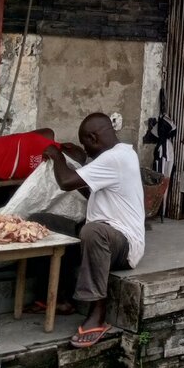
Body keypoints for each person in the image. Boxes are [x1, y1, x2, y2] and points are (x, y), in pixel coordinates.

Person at [44, 112, 145, 348]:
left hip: (124, 245)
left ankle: (97, 313)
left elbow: (66, 182)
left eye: (85, 144)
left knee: (92, 232)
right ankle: (60, 299)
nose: (85, 149)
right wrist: (78, 161)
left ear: (93, 138)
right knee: (44, 223)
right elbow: (88, 188)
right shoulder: (119, 154)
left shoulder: (116, 158)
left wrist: (56, 156)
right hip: (105, 233)